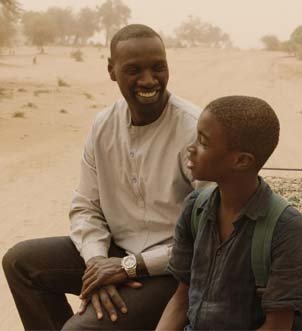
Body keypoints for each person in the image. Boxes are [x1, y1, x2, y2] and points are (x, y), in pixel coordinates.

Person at [3, 24, 201, 330]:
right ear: (112, 70)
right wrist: (97, 263)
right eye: (134, 69)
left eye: (158, 67)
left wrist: (128, 267)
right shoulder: (103, 126)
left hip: (172, 270)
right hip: (115, 253)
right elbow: (85, 207)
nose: (149, 80)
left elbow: (210, 233)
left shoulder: (193, 130)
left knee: (79, 329)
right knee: (21, 262)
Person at [156, 96, 302, 330]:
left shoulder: (287, 229)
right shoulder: (195, 208)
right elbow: (181, 299)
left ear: (241, 160)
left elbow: (277, 326)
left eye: (203, 142)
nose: (191, 149)